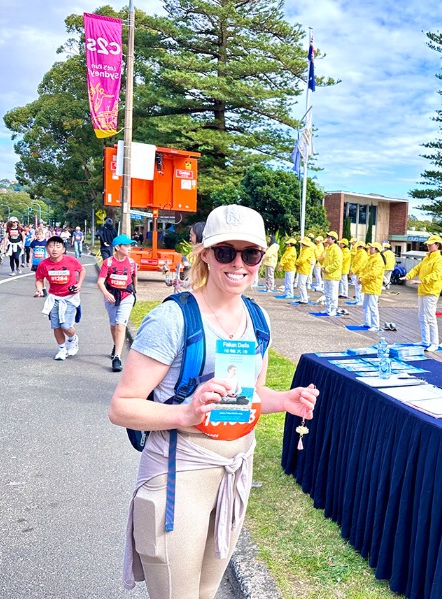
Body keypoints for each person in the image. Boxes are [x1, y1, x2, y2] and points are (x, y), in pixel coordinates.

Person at [108, 204, 318, 598]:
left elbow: (249, 395)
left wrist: (285, 400)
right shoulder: (173, 319)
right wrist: (186, 411)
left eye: (250, 254)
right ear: (205, 253)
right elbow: (122, 407)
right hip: (180, 472)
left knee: (206, 592)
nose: (238, 263)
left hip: (235, 471)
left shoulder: (258, 319)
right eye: (225, 252)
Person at [34, 236, 86, 360]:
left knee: (66, 326)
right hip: (54, 298)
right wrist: (39, 289)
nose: (54, 249)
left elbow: (82, 270)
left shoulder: (70, 261)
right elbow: (39, 279)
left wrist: (79, 284)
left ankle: (73, 339)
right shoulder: (43, 264)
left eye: (58, 246)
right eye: (51, 246)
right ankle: (62, 349)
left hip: (70, 297)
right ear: (47, 248)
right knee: (56, 326)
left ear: (63, 249)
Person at [98, 234, 139, 372]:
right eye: (126, 245)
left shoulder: (132, 263)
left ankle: (117, 357)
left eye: (129, 245)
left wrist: (135, 293)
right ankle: (117, 344)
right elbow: (100, 282)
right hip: (111, 297)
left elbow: (134, 278)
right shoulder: (108, 263)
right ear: (117, 247)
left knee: (121, 326)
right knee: (114, 325)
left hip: (126, 296)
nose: (129, 248)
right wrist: (106, 294)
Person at [405, 234, 442, 352]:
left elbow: (435, 275)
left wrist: (422, 280)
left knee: (430, 317)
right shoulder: (427, 258)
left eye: (431, 244)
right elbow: (417, 268)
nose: (428, 246)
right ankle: (425, 340)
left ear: (437, 245)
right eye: (428, 244)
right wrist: (408, 276)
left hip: (431, 291)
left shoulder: (439, 260)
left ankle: (434, 343)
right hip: (423, 290)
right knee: (421, 316)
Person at [359, 242, 385, 331]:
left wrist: (362, 279)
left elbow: (373, 273)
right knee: (365, 305)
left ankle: (375, 325)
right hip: (367, 285)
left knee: (373, 306)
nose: (369, 249)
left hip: (373, 286)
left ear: (376, 249)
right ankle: (368, 322)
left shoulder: (378, 260)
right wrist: (361, 277)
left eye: (371, 248)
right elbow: (364, 269)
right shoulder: (371, 258)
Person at [322, 231, 343, 316]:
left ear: (333, 239)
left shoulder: (336, 249)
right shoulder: (329, 249)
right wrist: (323, 267)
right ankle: (328, 308)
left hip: (333, 276)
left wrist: (327, 269)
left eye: (329, 237)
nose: (327, 238)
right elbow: (326, 261)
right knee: (327, 293)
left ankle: (334, 309)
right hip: (327, 275)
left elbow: (337, 263)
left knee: (333, 294)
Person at [295, 237, 315, 305]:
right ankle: (302, 298)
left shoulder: (307, 250)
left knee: (302, 284)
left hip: (304, 269)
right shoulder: (304, 250)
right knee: (300, 284)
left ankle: (304, 299)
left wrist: (296, 262)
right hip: (302, 269)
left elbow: (302, 260)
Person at [350, 241, 367, 305]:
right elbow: (355, 263)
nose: (358, 248)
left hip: (361, 272)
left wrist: (353, 271)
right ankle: (357, 299)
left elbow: (359, 264)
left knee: (360, 287)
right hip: (358, 272)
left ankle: (361, 300)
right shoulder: (358, 253)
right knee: (357, 287)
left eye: (359, 246)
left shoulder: (363, 254)